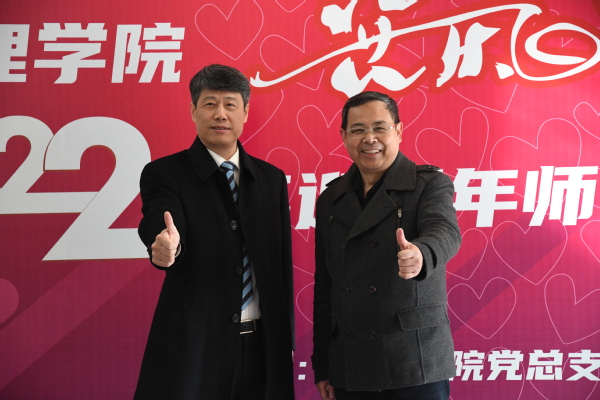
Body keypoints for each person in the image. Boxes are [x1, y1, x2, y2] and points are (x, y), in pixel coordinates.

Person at [134, 64, 295, 400]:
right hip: (197, 348)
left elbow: (281, 267)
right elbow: (161, 218)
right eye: (210, 104)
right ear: (193, 110)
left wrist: (286, 341)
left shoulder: (271, 179)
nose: (220, 114)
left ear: (245, 112)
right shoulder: (164, 173)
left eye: (230, 104)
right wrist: (165, 245)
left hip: (263, 348)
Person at [311, 91, 461, 400]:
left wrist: (422, 254)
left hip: (414, 358)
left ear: (399, 131)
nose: (370, 138)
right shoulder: (330, 199)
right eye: (358, 129)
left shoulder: (428, 184)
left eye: (380, 127)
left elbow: (445, 231)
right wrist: (323, 365)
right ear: (344, 136)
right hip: (351, 362)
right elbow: (325, 286)